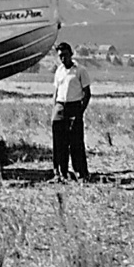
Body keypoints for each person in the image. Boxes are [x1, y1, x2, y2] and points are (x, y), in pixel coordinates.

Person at [51, 42, 92, 181]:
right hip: (60, 108)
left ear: (71, 54)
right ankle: (60, 173)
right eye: (60, 56)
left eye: (65, 55)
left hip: (74, 107)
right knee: (59, 143)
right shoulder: (59, 71)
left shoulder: (80, 71)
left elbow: (87, 93)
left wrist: (80, 111)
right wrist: (55, 108)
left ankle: (81, 173)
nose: (63, 58)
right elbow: (56, 91)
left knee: (76, 142)